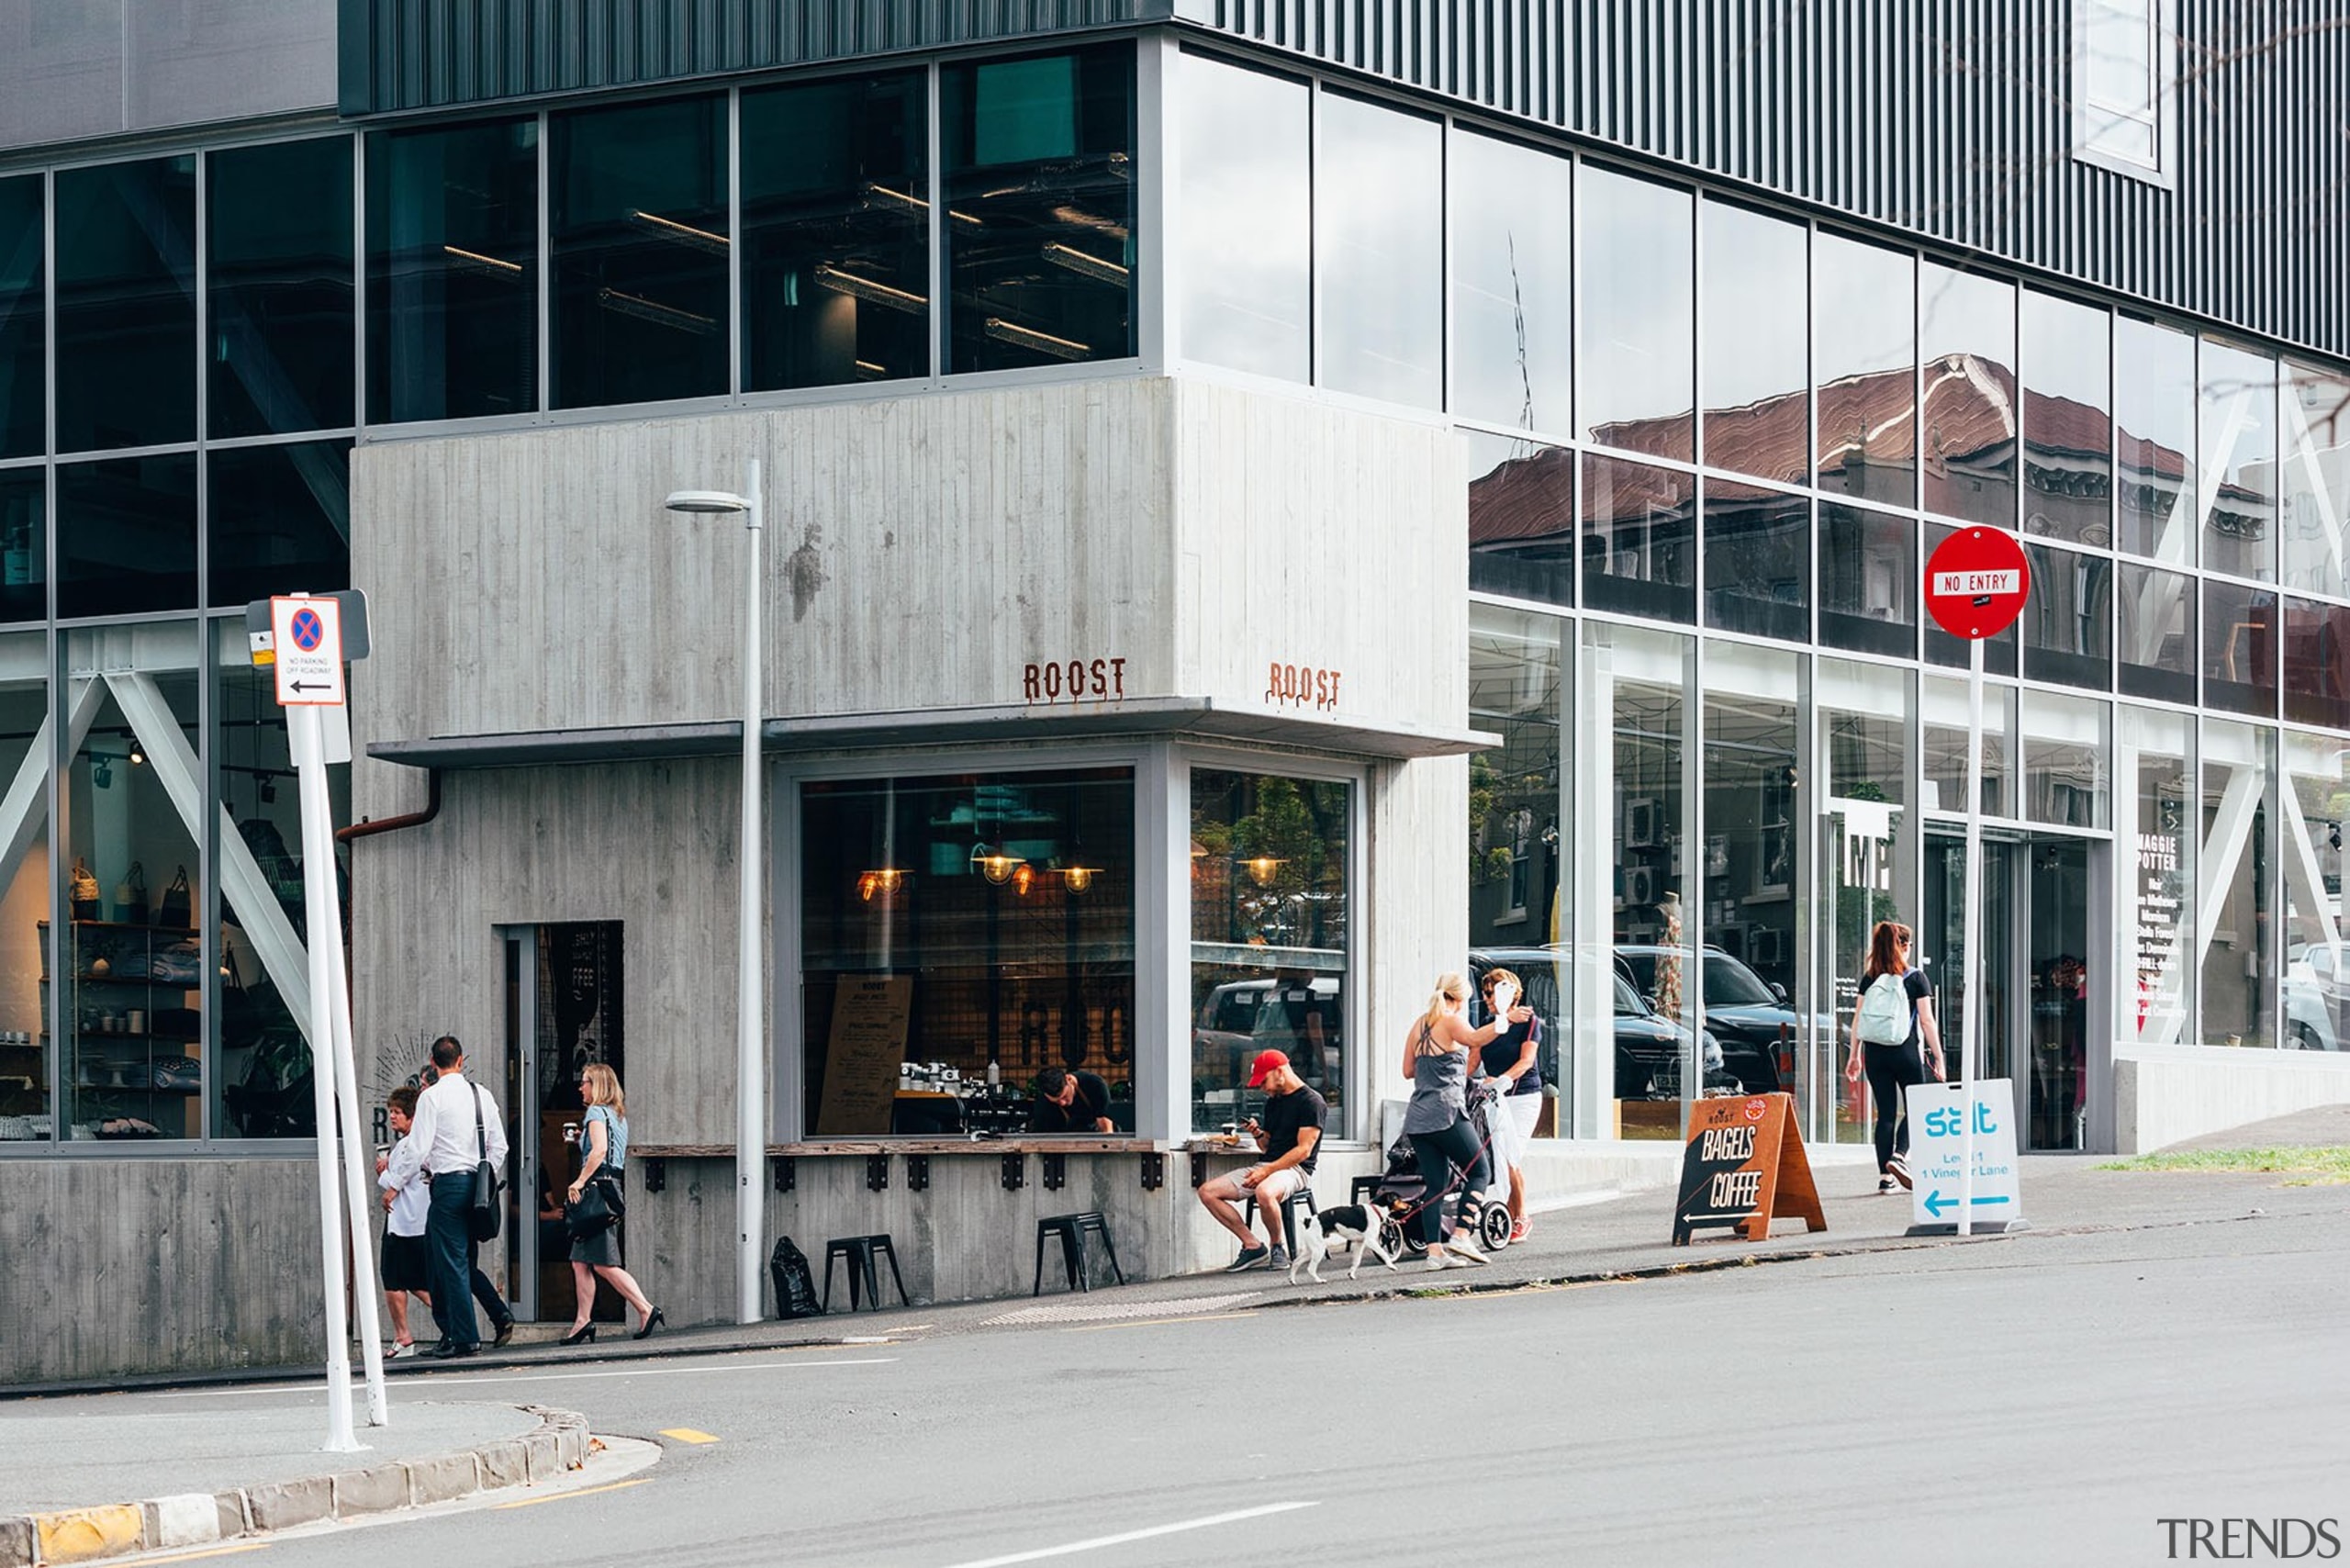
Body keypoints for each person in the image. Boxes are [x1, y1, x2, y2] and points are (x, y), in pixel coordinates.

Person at [1404, 972, 1530, 1269]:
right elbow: (1475, 1039)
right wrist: (1507, 1019)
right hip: (1446, 1112)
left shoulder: (1419, 1024)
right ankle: (1462, 1234)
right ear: (1459, 999)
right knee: (1480, 1171)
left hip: (1418, 1117)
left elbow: (1408, 1070)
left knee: (1435, 1185)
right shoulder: (1449, 1020)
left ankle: (1435, 1254)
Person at [402, 1035, 515, 1358]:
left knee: (447, 1263)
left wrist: (397, 1179)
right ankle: (454, 1333)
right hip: (476, 1187)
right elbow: (500, 1147)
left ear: (433, 1062)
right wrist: (483, 1176)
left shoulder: (431, 1097)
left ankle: (463, 1337)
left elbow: (418, 1147)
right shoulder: (482, 1094)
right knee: (460, 1260)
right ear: (461, 1060)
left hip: (448, 1187)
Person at [1195, 1048, 1326, 1272]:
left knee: (1264, 1191)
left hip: (1296, 1170)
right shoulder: (1274, 1101)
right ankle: (1253, 1245)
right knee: (1208, 1192)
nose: (1262, 1088)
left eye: (1263, 1081)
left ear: (1279, 1072)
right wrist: (1257, 1133)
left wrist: (1266, 1172)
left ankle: (1278, 1247)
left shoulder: (1311, 1102)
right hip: (1266, 1165)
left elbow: (1303, 1150)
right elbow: (1267, 1146)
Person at [560, 1062, 661, 1344]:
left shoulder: (594, 1111)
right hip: (611, 1186)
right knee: (581, 1260)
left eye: (585, 1082)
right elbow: (608, 1148)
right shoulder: (616, 1115)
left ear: (598, 1085)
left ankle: (645, 1308)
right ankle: (582, 1321)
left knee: (603, 1264)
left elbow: (601, 1150)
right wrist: (583, 1141)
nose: (581, 1087)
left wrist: (579, 1181)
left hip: (596, 1189)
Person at [1844, 921, 1946, 1193]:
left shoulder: (1870, 977)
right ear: (1902, 946)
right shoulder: (1916, 978)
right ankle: (1899, 1156)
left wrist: (1854, 1055)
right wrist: (1939, 1057)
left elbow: (1858, 1020)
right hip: (1905, 1051)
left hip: (1875, 1053)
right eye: (1909, 945)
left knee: (1886, 1114)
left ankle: (1884, 1178)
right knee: (1916, 1107)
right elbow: (1927, 1021)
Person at [1475, 967, 1543, 1242]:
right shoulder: (1487, 1023)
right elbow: (1472, 1059)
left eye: (1492, 993)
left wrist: (1503, 1079)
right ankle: (1510, 1214)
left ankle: (1521, 1216)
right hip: (1494, 1096)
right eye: (1485, 993)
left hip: (1523, 1095)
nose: (1488, 998)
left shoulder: (1529, 1021)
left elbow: (1527, 1061)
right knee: (1498, 1155)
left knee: (1510, 1155)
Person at [375, 1086, 432, 1359]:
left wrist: (384, 1171)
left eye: (397, 1112)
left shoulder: (410, 1146)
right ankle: (449, 1322)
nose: (393, 1118)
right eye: (391, 1112)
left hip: (404, 1221)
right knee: (410, 1279)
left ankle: (405, 1337)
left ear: (411, 1116)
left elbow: (397, 1180)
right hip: (412, 1220)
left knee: (398, 1278)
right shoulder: (414, 1144)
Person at [1028, 1066, 1114, 1134]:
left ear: (1068, 1079)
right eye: (1057, 1101)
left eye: (1065, 1096)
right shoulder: (1043, 1104)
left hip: (1093, 1133)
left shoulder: (1095, 1085)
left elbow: (1105, 1125)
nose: (1062, 1103)